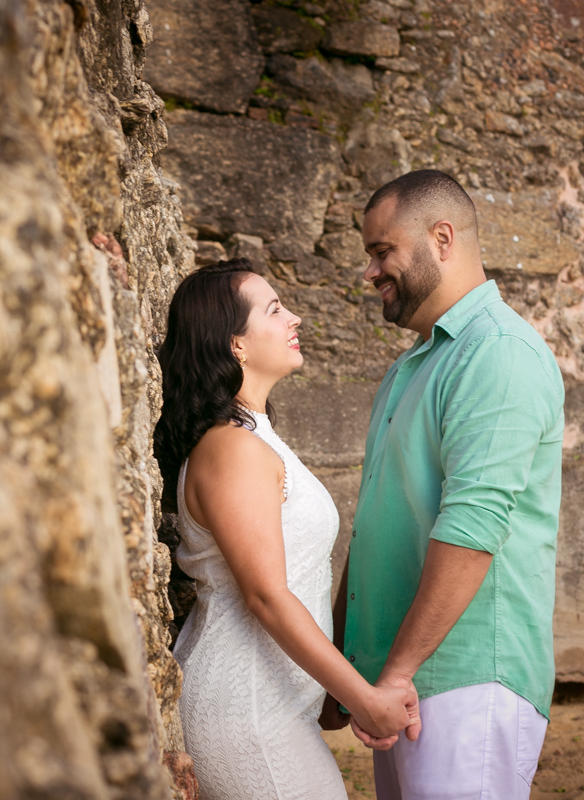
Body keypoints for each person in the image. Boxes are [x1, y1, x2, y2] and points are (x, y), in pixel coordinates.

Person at [322, 170, 565, 799]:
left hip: (465, 678)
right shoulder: (412, 364)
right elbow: (375, 526)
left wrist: (397, 673)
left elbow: (473, 527)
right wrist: (348, 670)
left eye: (382, 252)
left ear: (444, 238)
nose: (370, 272)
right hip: (399, 684)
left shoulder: (499, 351)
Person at [153, 259, 420, 800]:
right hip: (248, 712)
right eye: (275, 309)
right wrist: (362, 696)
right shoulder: (232, 449)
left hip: (271, 707)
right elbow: (267, 596)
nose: (295, 317)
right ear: (236, 346)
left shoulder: (253, 439)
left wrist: (326, 693)